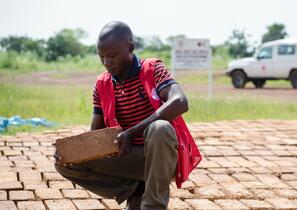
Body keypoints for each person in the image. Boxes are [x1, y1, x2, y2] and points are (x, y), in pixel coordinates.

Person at [54, 21, 201, 210]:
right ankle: (135, 190)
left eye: (112, 55)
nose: (107, 62)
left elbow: (180, 101)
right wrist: (74, 150)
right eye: (102, 57)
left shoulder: (152, 69)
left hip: (162, 158)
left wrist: (132, 132)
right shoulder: (102, 85)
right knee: (65, 161)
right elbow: (95, 135)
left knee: (160, 128)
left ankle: (153, 205)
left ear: (130, 47)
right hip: (129, 159)